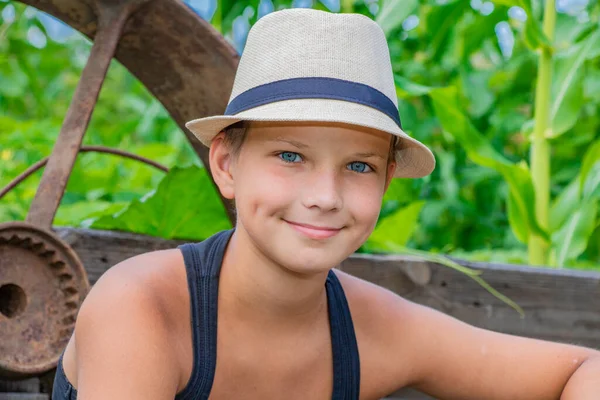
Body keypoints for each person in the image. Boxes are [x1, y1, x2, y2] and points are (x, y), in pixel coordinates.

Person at [52, 7, 600, 400]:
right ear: (225, 165)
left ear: (385, 182)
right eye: (290, 156)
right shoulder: (144, 309)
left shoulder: (376, 329)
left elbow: (581, 369)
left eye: (358, 166)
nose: (324, 197)